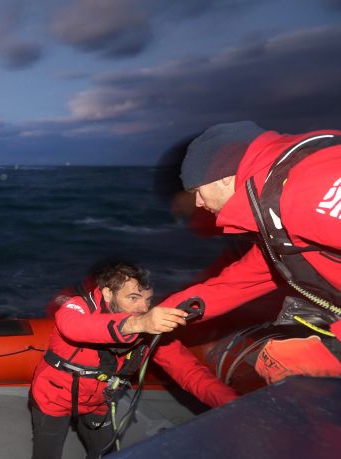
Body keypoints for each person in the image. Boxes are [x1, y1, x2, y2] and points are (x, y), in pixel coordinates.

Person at [158, 121, 341, 384]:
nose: (197, 203)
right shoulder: (274, 205)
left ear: (224, 178)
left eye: (197, 191)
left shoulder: (304, 190)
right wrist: (156, 317)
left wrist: (332, 352)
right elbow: (240, 282)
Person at [30, 262, 238, 459]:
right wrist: (136, 324)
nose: (142, 307)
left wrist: (235, 405)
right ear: (107, 293)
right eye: (133, 298)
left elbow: (190, 373)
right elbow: (73, 327)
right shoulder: (77, 307)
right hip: (53, 397)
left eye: (148, 300)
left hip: (98, 402)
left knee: (106, 453)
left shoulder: (150, 328)